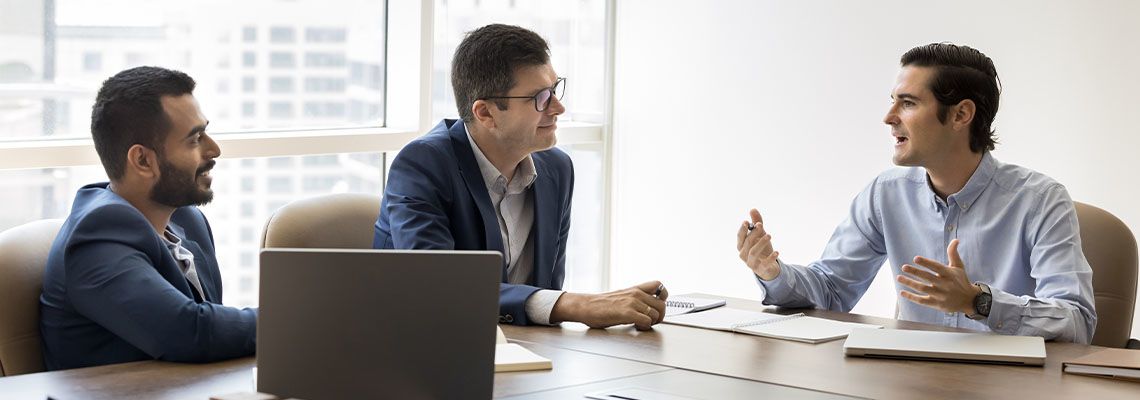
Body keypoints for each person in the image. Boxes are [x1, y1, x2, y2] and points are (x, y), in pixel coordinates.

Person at [737, 43, 1096, 343]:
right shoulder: (885, 195)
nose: (889, 116)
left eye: (907, 103)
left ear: (960, 115)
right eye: (893, 101)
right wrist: (773, 273)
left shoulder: (1041, 200)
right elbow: (831, 291)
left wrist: (978, 301)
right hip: (911, 382)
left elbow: (1076, 322)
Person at [374, 24, 667, 329]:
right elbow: (440, 287)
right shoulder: (422, 165)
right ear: (486, 113)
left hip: (523, 354)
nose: (558, 107)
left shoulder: (557, 170)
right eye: (540, 98)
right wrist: (577, 304)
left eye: (555, 89)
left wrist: (589, 307)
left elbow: (547, 299)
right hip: (418, 353)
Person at [40, 66, 256, 370]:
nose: (214, 149)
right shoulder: (96, 237)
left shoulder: (187, 220)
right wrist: (293, 321)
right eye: (195, 139)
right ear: (143, 160)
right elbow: (189, 331)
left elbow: (213, 328)